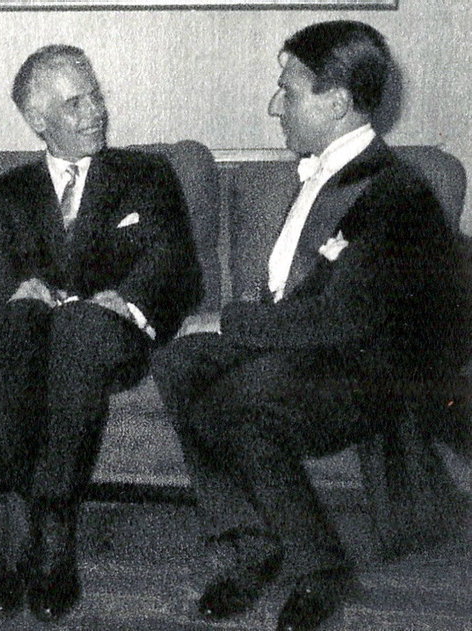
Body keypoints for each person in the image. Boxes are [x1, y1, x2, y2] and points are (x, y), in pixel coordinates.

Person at [151, 21, 466, 631]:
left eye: (288, 91)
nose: (275, 105)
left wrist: (228, 321)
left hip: (366, 374)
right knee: (177, 359)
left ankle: (318, 566)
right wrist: (216, 330)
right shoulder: (324, 168)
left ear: (339, 103)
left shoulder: (397, 194)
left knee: (231, 403)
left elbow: (337, 319)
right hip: (311, 351)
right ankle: (252, 537)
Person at [0, 45, 202, 621]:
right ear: (37, 121)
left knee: (78, 324)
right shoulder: (7, 193)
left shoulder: (145, 174)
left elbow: (173, 261)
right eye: (75, 103)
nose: (96, 111)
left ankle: (50, 527)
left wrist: (125, 300)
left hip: (115, 334)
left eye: (96, 94)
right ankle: (15, 518)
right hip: (33, 340)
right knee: (12, 327)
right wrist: (17, 293)